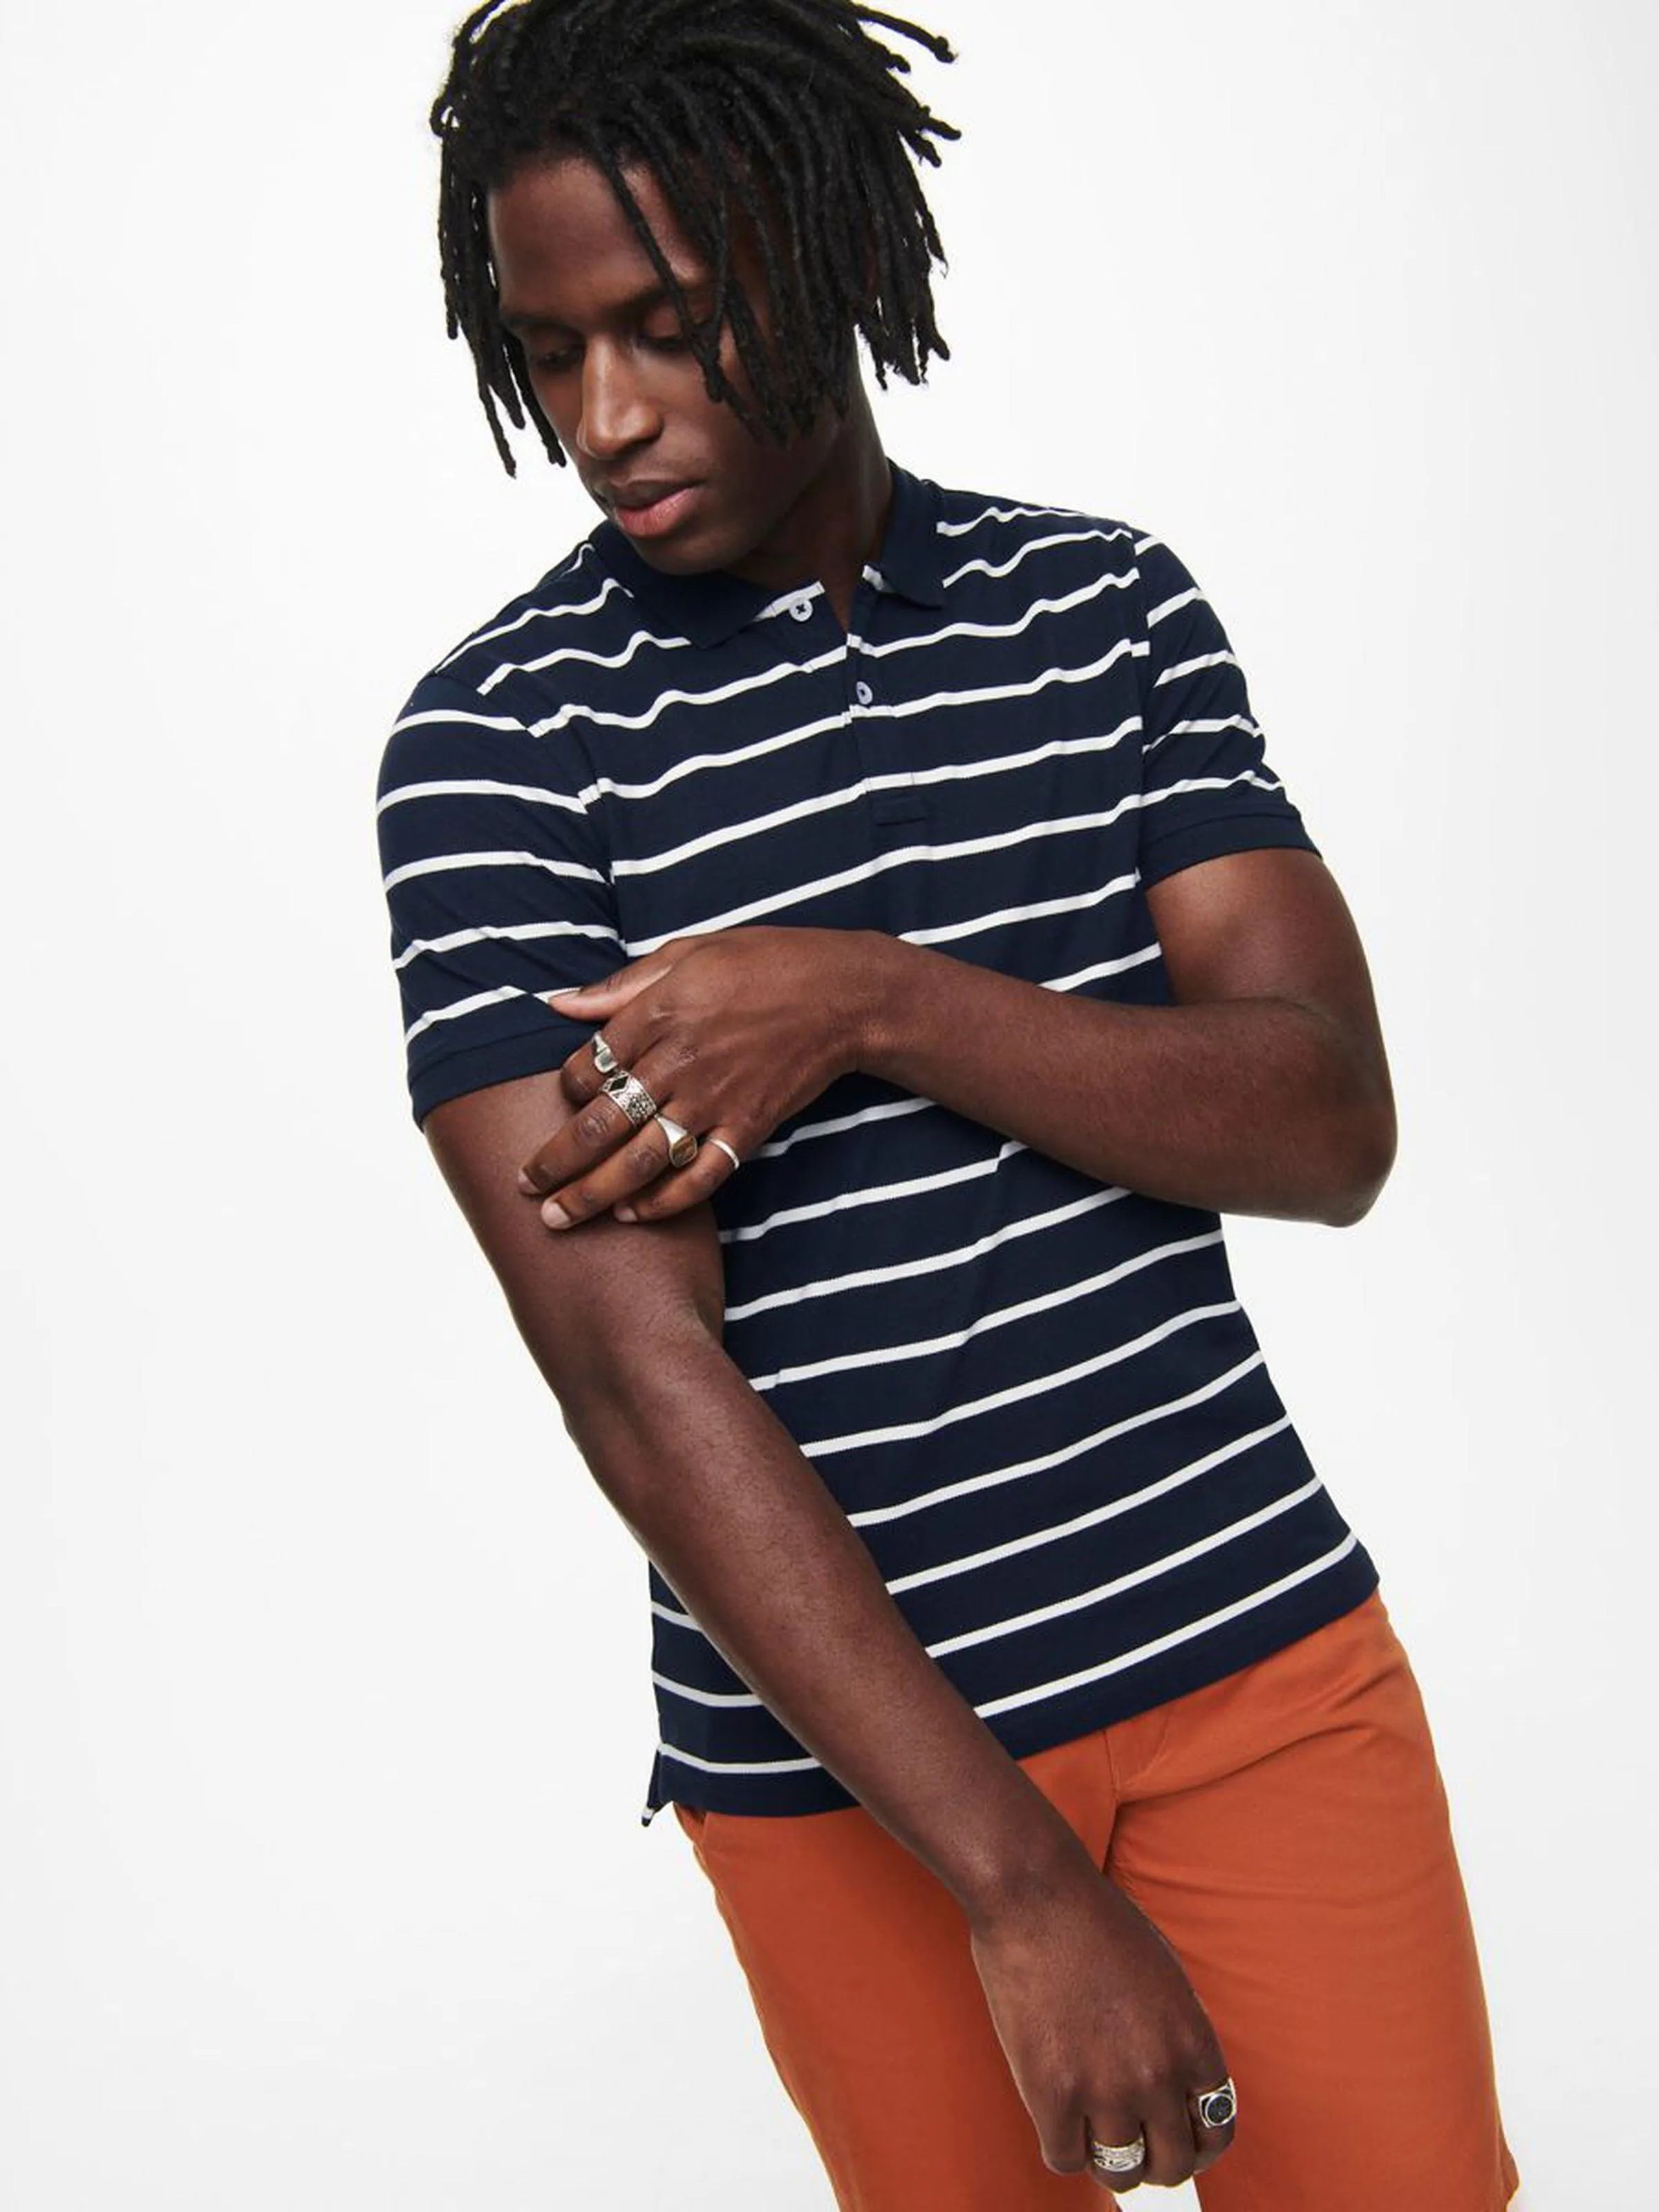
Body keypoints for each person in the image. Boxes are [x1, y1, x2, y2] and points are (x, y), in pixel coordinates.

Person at [374, 3, 1523, 2204]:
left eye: (669, 327)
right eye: (549, 353)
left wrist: (874, 1005)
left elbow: (1322, 1121)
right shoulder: (499, 750)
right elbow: (630, 1370)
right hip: (850, 1784)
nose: (604, 417)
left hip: (1252, 1654)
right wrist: (1015, 1880)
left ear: (823, 253)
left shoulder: (1103, 612)